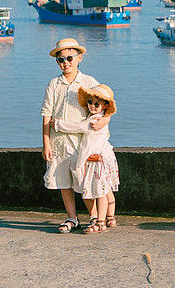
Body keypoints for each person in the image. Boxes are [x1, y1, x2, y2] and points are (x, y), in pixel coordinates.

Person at [40, 37, 109, 233]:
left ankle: (95, 216)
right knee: (63, 182)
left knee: (85, 182)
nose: (66, 63)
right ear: (57, 62)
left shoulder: (88, 82)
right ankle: (72, 217)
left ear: (79, 58)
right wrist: (46, 143)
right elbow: (46, 115)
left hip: (82, 143)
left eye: (70, 58)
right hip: (58, 142)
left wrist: (107, 120)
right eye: (61, 60)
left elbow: (106, 105)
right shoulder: (54, 84)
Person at [51, 84, 119, 234]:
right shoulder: (97, 117)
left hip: (97, 158)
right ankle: (111, 216)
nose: (92, 106)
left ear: (105, 105)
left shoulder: (95, 120)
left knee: (100, 191)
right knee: (106, 188)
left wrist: (57, 124)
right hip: (104, 155)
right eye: (89, 102)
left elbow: (78, 127)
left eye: (96, 104)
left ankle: (100, 222)